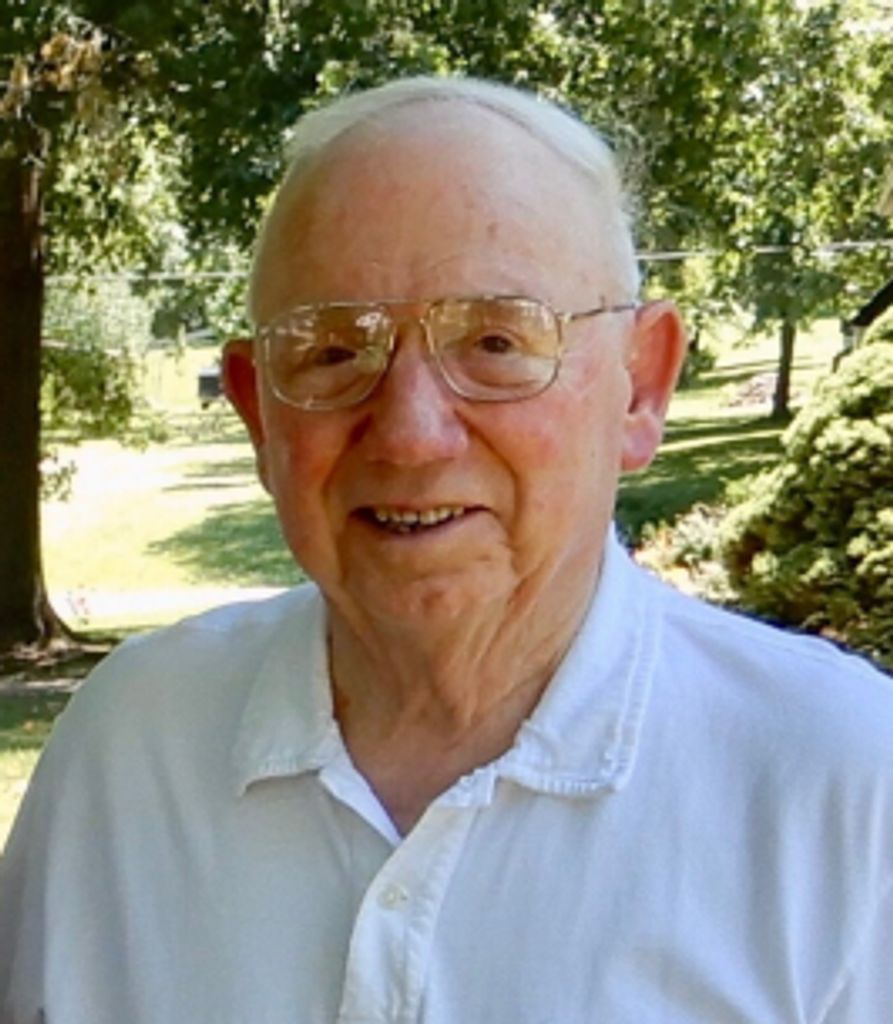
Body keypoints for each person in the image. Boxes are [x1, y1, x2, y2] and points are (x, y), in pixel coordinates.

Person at [2, 76, 892, 1024]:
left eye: (496, 342)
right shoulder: (132, 749)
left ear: (639, 389)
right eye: (333, 352)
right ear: (258, 413)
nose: (410, 435)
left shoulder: (841, 786)